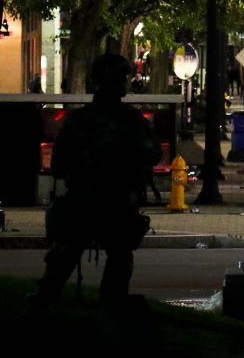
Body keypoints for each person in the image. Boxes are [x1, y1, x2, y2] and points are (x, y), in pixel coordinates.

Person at [29, 54, 161, 312]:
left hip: (84, 202)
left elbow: (58, 166)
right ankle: (110, 308)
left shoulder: (80, 120)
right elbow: (153, 154)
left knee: (65, 255)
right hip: (116, 203)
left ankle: (43, 304)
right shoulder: (132, 121)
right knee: (119, 257)